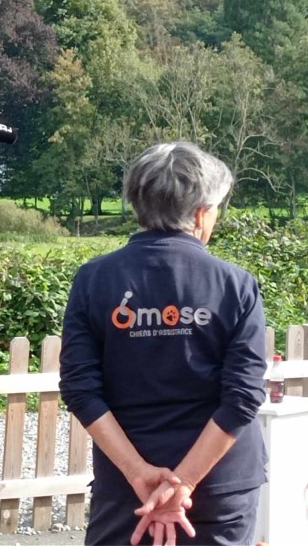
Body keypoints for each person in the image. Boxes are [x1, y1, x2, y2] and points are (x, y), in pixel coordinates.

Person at [59, 142, 268, 546]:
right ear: (200, 212)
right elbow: (243, 397)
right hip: (219, 484)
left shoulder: (93, 280)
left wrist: (138, 472)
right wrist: (184, 484)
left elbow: (81, 389)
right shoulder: (235, 284)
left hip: (127, 486)